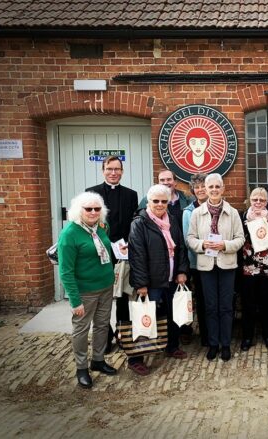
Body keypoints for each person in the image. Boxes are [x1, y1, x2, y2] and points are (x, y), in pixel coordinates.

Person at [128, 184, 190, 375]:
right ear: (148, 201)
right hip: (151, 281)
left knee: (172, 314)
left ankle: (171, 346)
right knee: (145, 317)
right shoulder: (140, 223)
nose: (160, 204)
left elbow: (180, 248)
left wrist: (181, 271)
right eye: (156, 201)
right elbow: (136, 255)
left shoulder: (171, 220)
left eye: (164, 201)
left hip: (171, 278)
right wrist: (141, 284)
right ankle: (136, 358)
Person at [58, 191, 117, 388]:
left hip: (106, 287)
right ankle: (81, 368)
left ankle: (98, 360)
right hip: (85, 291)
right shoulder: (69, 234)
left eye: (97, 208)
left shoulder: (101, 227)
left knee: (102, 325)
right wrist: (75, 301)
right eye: (88, 209)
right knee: (81, 330)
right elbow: (66, 272)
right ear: (78, 210)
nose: (93, 212)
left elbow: (104, 248)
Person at [187, 173, 245, 361]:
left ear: (223, 189)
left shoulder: (233, 212)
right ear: (205, 188)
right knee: (211, 306)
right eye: (210, 187)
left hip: (227, 264)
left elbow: (240, 239)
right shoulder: (197, 213)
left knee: (226, 307)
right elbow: (190, 239)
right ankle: (213, 344)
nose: (213, 190)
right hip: (206, 265)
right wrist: (203, 245)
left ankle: (226, 344)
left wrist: (225, 246)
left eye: (217, 187)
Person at [86, 155, 138, 353]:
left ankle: (123, 335)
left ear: (122, 171)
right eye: (110, 169)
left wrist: (130, 245)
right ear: (103, 170)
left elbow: (133, 224)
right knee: (102, 297)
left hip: (123, 252)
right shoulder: (92, 193)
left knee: (123, 296)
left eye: (117, 169)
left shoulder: (131, 194)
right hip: (100, 253)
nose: (114, 173)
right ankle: (105, 337)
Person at [239, 187, 268, 351]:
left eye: (262, 200)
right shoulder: (242, 217)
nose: (258, 203)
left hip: (267, 269)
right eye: (255, 199)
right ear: (250, 200)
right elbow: (237, 237)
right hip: (247, 269)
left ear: (267, 202)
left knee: (267, 304)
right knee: (248, 305)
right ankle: (247, 337)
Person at [181, 173, 209, 346]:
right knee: (202, 301)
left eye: (202, 186)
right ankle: (205, 336)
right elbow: (187, 239)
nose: (200, 190)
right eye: (196, 187)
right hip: (197, 263)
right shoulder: (188, 212)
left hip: (217, 262)